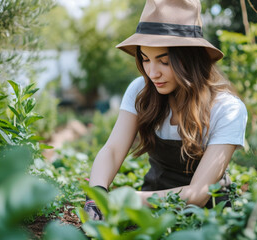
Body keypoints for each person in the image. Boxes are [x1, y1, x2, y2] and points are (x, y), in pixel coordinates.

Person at [84, 0, 248, 220]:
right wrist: (96, 196)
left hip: (208, 220)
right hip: (151, 212)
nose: (152, 73)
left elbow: (198, 194)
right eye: (145, 59)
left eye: (164, 62)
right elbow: (113, 150)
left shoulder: (227, 109)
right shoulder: (141, 91)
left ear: (190, 59)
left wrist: (127, 199)